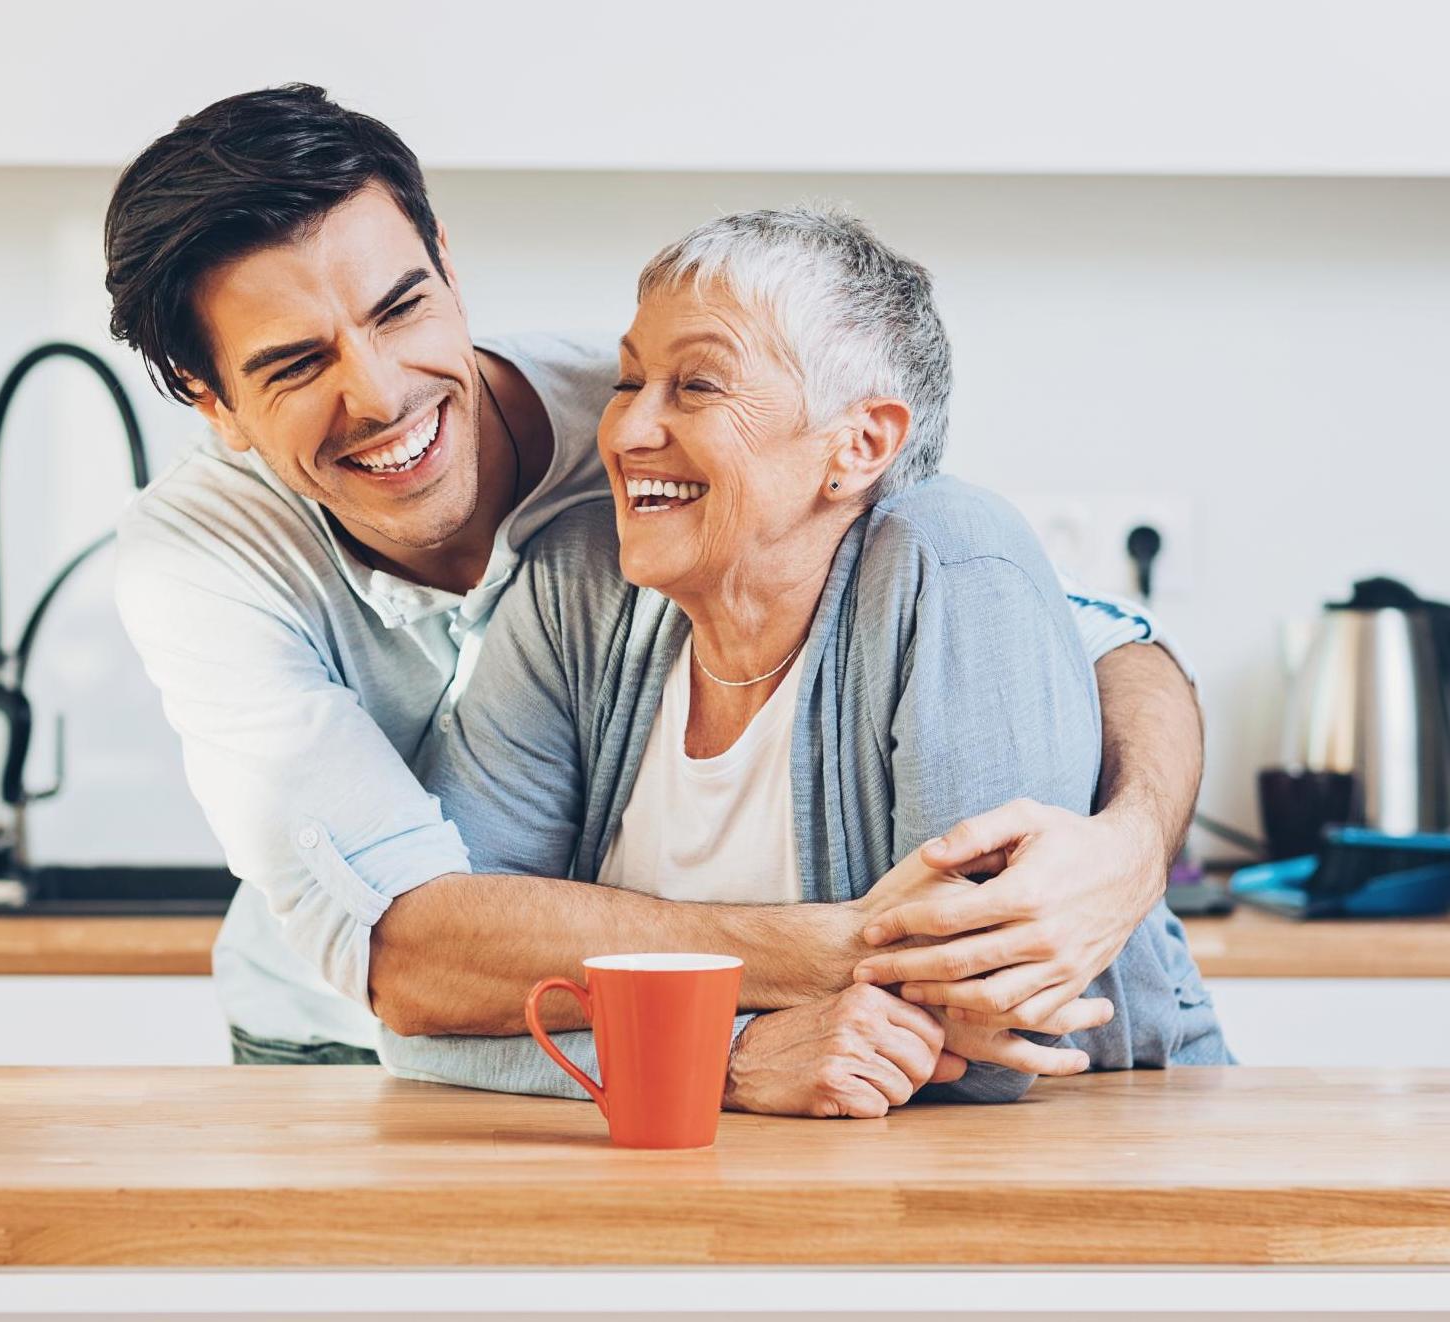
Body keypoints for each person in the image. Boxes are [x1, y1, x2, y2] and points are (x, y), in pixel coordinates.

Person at [105, 84, 1207, 1080]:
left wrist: (1129, 848)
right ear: (210, 400)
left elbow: (1090, 638)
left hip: (666, 1054)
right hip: (341, 1037)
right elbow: (415, 962)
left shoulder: (645, 418)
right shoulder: (201, 563)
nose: (382, 393)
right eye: (296, 363)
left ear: (446, 260)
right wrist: (843, 963)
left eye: (401, 308)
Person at [392, 206, 1228, 1115]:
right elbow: (432, 992)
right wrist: (729, 1052)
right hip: (715, 1166)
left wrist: (622, 1020)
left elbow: (984, 1039)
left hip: (1091, 1152)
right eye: (630, 381)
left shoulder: (951, 560)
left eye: (697, 386)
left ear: (860, 444)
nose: (628, 432)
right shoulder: (577, 582)